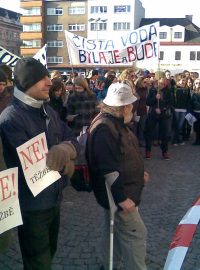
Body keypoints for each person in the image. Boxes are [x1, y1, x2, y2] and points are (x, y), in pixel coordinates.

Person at [0, 57, 79, 270]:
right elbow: (35, 168)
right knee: (38, 263)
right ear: (27, 83)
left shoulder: (47, 110)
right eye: (42, 78)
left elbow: (70, 136)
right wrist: (67, 164)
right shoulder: (10, 119)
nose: (49, 82)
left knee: (49, 254)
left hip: (54, 200)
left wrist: (66, 149)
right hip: (32, 207)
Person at [86, 82, 149, 270]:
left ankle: (109, 264)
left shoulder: (114, 122)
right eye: (130, 105)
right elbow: (108, 168)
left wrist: (139, 173)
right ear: (125, 106)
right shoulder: (106, 127)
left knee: (112, 230)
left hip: (121, 191)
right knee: (136, 235)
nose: (132, 108)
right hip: (120, 195)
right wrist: (121, 198)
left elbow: (122, 155)